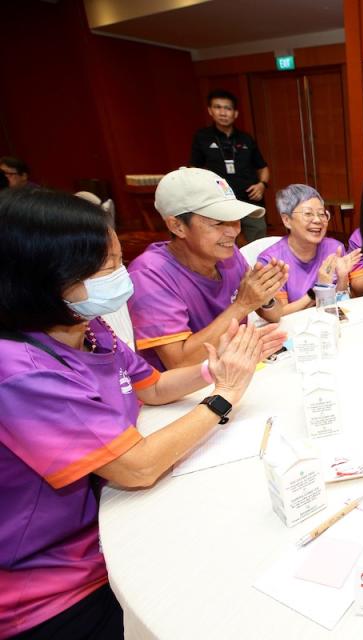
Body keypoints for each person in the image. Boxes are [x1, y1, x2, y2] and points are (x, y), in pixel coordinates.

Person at [0, 188, 268, 639]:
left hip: (111, 527)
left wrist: (212, 369)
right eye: (105, 267)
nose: (122, 276)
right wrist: (222, 396)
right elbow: (137, 468)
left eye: (119, 259)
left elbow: (154, 386)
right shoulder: (21, 372)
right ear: (43, 276)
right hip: (54, 587)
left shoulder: (87, 328)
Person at [128, 167, 287, 371]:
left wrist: (265, 295)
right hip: (183, 396)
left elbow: (274, 315)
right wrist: (242, 304)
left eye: (235, 219)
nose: (233, 231)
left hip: (233, 370)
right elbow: (179, 363)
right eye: (218, 222)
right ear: (177, 226)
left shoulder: (228, 254)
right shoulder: (149, 274)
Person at [257, 184, 361, 315]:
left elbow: (342, 303)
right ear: (287, 220)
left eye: (322, 214)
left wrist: (342, 278)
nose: (318, 220)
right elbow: (278, 314)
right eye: (308, 214)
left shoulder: (334, 248)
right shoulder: (271, 261)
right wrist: (319, 288)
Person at [189, 89, 270, 242]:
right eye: (218, 107)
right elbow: (195, 170)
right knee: (223, 241)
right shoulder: (202, 137)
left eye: (228, 108)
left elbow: (263, 167)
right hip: (219, 201)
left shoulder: (246, 139)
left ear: (235, 113)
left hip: (249, 199)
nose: (223, 113)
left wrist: (262, 185)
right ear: (210, 111)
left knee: (259, 239)